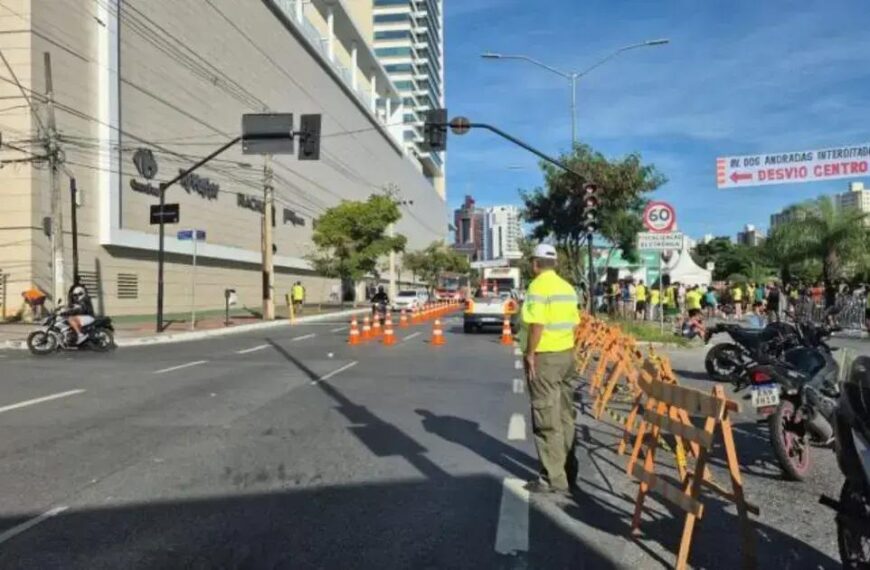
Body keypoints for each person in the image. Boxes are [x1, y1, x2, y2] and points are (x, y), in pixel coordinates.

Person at [519, 244, 580, 495]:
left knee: (546, 417)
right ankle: (568, 469)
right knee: (566, 414)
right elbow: (575, 324)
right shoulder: (567, 288)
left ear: (535, 263)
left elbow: (537, 324)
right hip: (566, 355)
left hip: (545, 357)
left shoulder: (538, 287)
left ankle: (552, 479)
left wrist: (531, 354)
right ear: (553, 263)